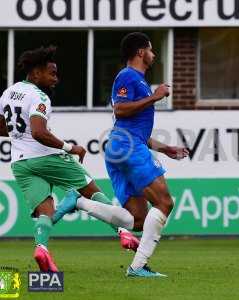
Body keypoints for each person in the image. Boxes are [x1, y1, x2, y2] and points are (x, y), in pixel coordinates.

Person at [0, 46, 139, 272]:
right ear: (35, 73)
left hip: (21, 163)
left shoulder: (8, 92)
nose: (56, 79)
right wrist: (70, 147)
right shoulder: (39, 96)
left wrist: (19, 134)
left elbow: (3, 128)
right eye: (51, 73)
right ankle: (123, 233)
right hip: (47, 157)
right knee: (91, 190)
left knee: (46, 212)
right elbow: (38, 132)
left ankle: (42, 249)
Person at [105, 32, 189, 278]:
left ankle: (78, 202)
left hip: (126, 144)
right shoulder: (128, 76)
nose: (154, 54)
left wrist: (165, 148)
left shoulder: (137, 80)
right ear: (141, 52)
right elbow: (120, 110)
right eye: (151, 50)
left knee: (138, 219)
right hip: (129, 146)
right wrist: (155, 96)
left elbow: (132, 126)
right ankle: (138, 267)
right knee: (165, 203)